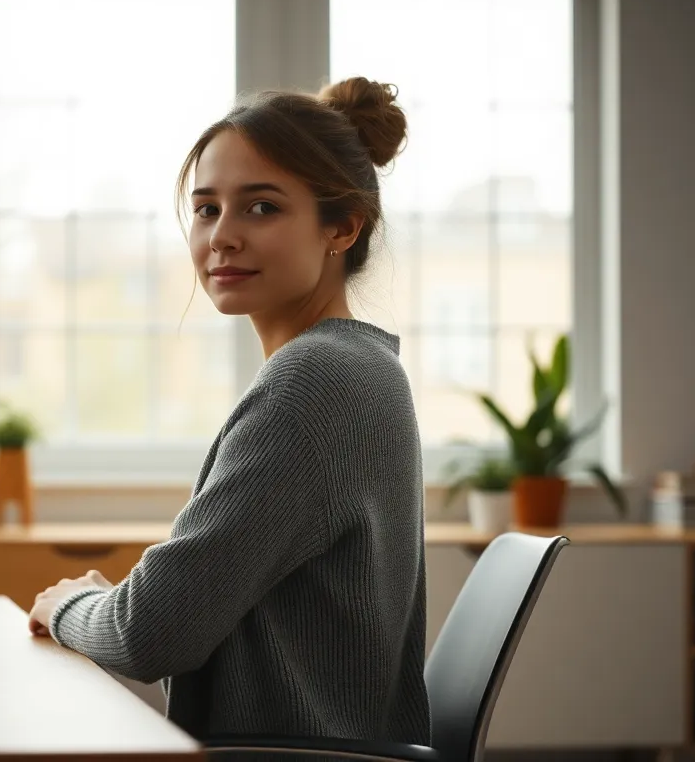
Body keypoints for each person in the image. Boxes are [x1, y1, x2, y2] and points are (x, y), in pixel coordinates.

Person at [27, 76, 431, 748]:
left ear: (343, 226)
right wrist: (112, 601)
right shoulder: (361, 367)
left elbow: (149, 633)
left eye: (262, 209)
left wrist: (66, 602)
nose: (222, 237)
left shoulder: (319, 380)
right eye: (206, 209)